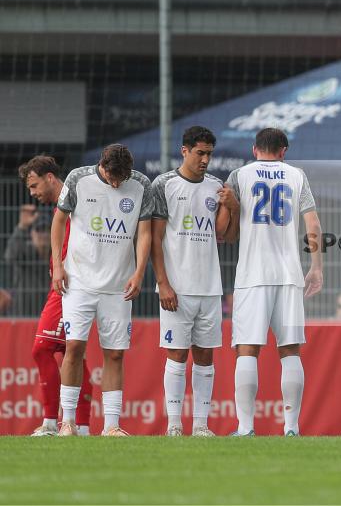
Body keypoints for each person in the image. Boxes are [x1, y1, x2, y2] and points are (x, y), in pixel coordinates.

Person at [224, 127, 324, 437]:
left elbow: (225, 227)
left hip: (252, 275)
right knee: (290, 350)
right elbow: (313, 224)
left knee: (247, 350)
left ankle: (245, 428)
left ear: (254, 150)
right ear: (283, 151)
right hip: (289, 275)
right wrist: (316, 267)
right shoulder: (296, 175)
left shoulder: (239, 175)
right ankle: (291, 428)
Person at [52, 144, 153, 437]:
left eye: (122, 178)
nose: (117, 184)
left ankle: (111, 425)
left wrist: (139, 271)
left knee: (116, 354)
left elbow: (144, 232)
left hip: (118, 285)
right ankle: (67, 422)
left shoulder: (141, 184)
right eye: (112, 178)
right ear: (102, 165)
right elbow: (59, 221)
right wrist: (58, 265)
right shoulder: (77, 179)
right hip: (79, 282)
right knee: (74, 348)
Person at [150, 126, 238, 437]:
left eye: (209, 154)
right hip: (177, 287)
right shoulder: (164, 184)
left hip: (209, 287)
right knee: (176, 354)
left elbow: (226, 236)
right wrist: (163, 283)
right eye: (200, 153)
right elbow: (155, 239)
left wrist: (232, 207)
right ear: (184, 151)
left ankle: (200, 425)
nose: (205, 159)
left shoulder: (216, 187)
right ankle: (174, 424)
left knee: (205, 355)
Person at [17, 156, 93, 436]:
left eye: (34, 185)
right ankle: (82, 426)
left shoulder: (76, 200)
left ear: (51, 177)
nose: (33, 193)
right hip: (62, 286)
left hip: (69, 288)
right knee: (72, 354)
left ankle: (51, 423)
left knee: (43, 349)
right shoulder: (61, 207)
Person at [4, 203, 53, 316]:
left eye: (46, 230)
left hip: (48, 314)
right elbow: (9, 256)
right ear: (32, 234)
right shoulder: (24, 251)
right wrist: (22, 226)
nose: (43, 234)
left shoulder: (56, 255)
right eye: (39, 230)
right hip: (23, 313)